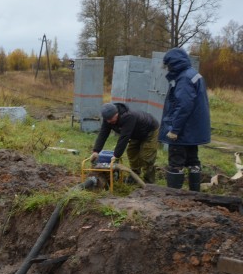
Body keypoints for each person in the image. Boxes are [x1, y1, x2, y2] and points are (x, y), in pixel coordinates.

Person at [158, 47, 211, 191]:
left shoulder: (184, 78)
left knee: (176, 161)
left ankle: (174, 196)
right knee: (193, 160)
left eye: (168, 65)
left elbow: (183, 105)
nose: (167, 69)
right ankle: (195, 193)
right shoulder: (193, 74)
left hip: (182, 130)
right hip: (192, 129)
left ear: (173, 64)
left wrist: (174, 129)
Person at [90, 102, 160, 183]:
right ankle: (135, 176)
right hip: (135, 133)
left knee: (146, 157)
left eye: (111, 119)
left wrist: (116, 155)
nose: (109, 122)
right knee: (132, 153)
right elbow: (103, 133)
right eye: (107, 120)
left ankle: (149, 181)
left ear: (117, 114)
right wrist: (96, 151)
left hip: (149, 131)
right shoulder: (108, 119)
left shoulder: (128, 116)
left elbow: (124, 137)